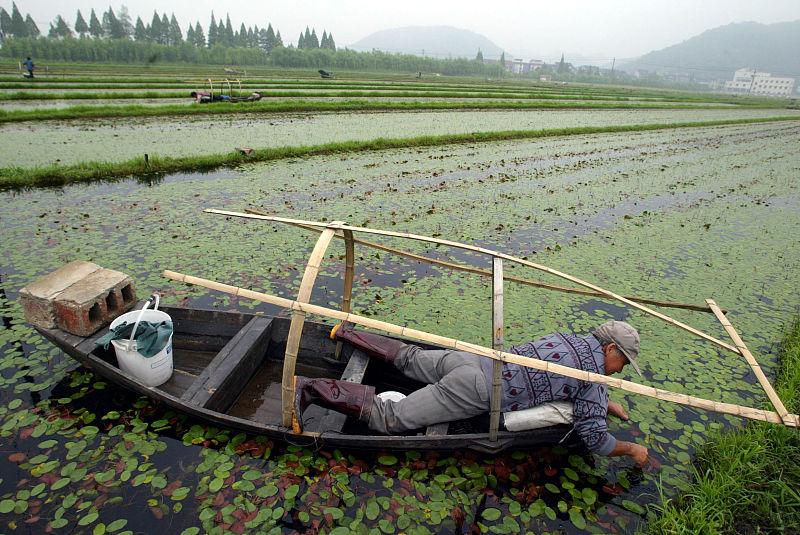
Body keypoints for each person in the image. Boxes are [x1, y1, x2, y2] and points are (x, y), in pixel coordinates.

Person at [294, 320, 650, 465]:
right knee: (393, 418)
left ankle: (345, 332)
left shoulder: (571, 339)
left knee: (408, 357)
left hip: (471, 361)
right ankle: (310, 387)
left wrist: (606, 403)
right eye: (623, 361)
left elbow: (561, 381)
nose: (620, 369)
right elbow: (598, 443)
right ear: (610, 350)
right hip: (477, 389)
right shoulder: (591, 378)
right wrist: (631, 448)